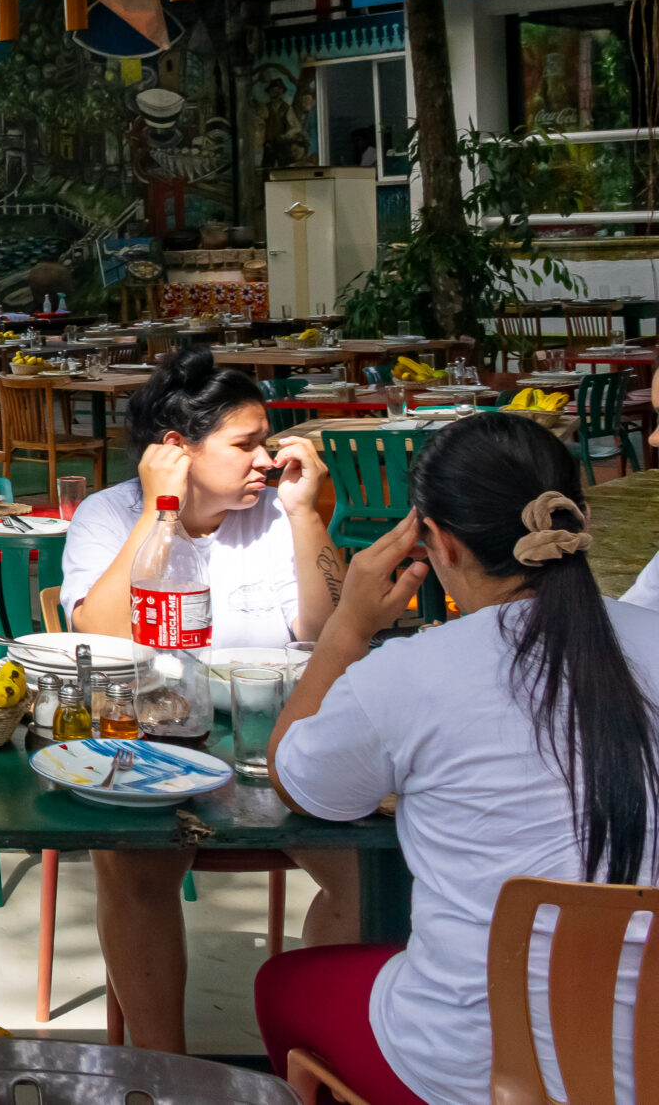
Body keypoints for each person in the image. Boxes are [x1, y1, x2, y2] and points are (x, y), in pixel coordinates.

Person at [262, 413, 659, 1105]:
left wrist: (348, 628)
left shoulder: (412, 674)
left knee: (282, 986)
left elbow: (297, 778)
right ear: (580, 518)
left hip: (467, 1069)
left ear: (438, 543)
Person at [59, 345, 356, 1052]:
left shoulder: (277, 515)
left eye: (267, 440)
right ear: (176, 449)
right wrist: (159, 509)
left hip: (276, 740)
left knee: (364, 873)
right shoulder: (109, 514)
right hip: (159, 742)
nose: (264, 459)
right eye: (245, 443)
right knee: (130, 866)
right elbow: (99, 633)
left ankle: (312, 1066)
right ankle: (166, 1070)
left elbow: (329, 628)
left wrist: (308, 513)